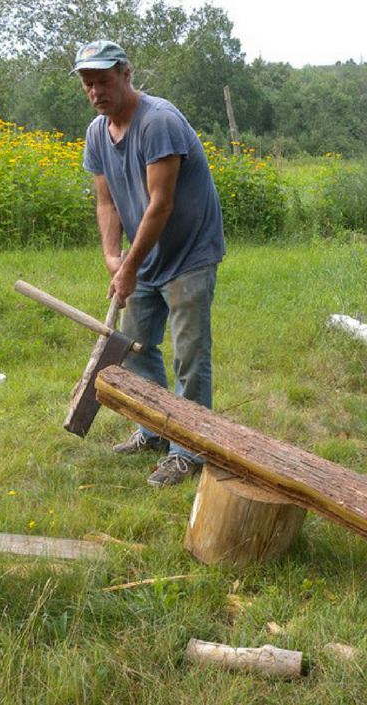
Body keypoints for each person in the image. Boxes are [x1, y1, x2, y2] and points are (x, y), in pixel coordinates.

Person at [73, 40, 226, 488]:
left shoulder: (159, 122)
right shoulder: (97, 132)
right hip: (142, 257)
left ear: (125, 74)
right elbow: (107, 202)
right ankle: (155, 431)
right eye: (88, 84)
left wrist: (130, 265)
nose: (96, 91)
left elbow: (160, 204)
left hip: (188, 252)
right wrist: (111, 256)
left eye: (103, 80)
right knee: (136, 347)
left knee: (190, 354)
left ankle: (189, 450)